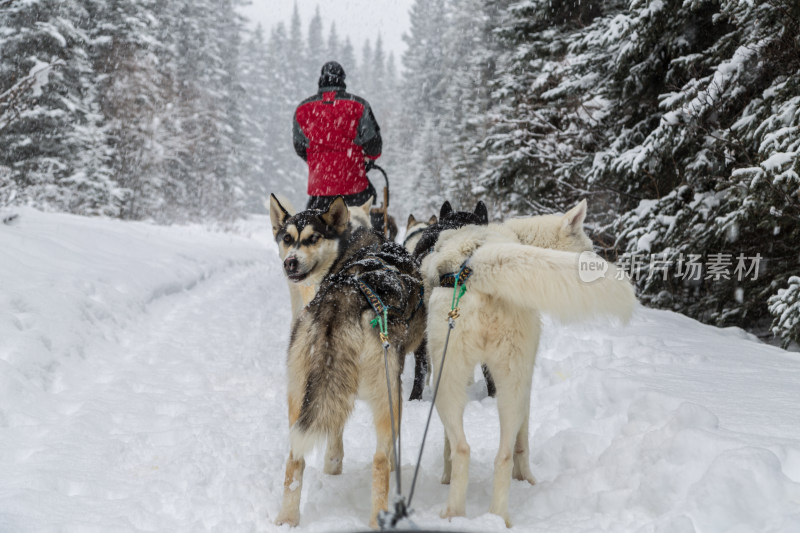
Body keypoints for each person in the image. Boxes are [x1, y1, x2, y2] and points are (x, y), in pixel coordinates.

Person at [293, 61, 382, 210]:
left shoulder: (302, 109)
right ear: (342, 79)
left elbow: (299, 146)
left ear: (321, 80)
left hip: (320, 190)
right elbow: (374, 145)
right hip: (354, 188)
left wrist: (318, 160)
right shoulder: (359, 105)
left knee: (314, 222)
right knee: (369, 214)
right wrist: (367, 160)